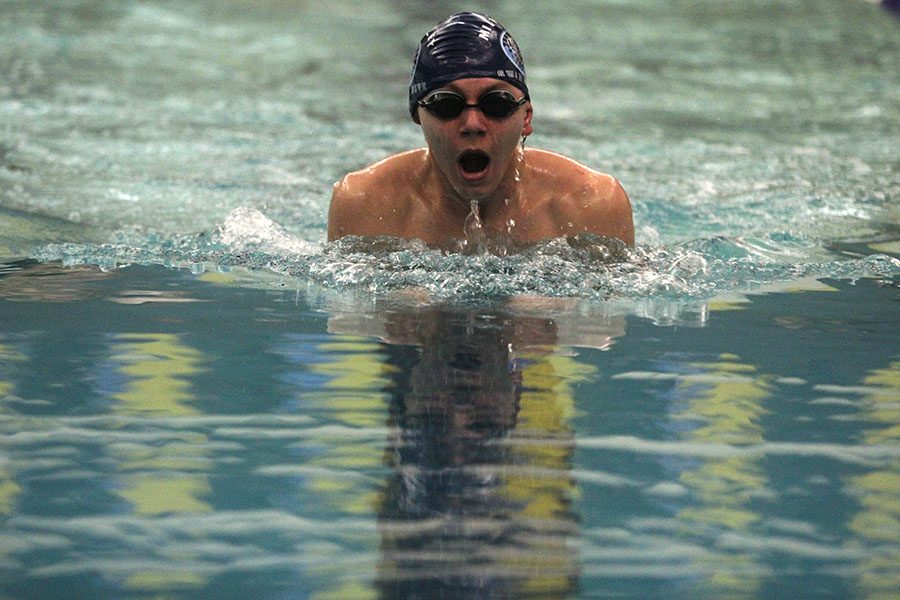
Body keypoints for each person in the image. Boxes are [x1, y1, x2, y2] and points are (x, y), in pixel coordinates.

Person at [327, 12, 634, 252]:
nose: (472, 124)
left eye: (497, 104)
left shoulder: (592, 204)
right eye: (446, 104)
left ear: (526, 117)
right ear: (418, 115)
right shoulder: (364, 203)